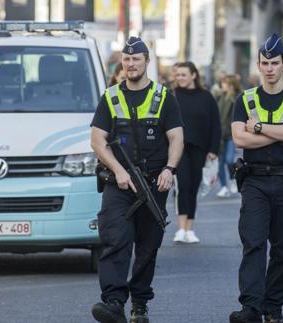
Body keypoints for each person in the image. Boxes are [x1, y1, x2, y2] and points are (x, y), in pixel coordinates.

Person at [90, 36, 184, 323]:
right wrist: (118, 170)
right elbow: (97, 141)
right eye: (127, 59)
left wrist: (170, 169)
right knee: (115, 240)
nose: (131, 64)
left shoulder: (164, 96)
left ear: (146, 62)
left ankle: (139, 304)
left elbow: (176, 137)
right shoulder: (111, 97)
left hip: (154, 183)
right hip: (118, 183)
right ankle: (114, 302)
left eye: (136, 59)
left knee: (147, 246)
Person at [229, 33, 283, 323]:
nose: (269, 68)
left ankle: (273, 309)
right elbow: (240, 139)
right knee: (253, 243)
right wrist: (280, 133)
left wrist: (260, 128)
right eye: (264, 63)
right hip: (254, 182)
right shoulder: (245, 98)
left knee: (281, 248)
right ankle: (250, 308)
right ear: (258, 65)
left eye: (275, 63)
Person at [172, 61, 221, 244]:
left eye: (184, 74)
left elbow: (216, 125)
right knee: (182, 185)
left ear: (193, 75)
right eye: (177, 75)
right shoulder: (172, 96)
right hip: (178, 149)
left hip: (200, 148)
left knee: (193, 187)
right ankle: (180, 228)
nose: (180, 78)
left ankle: (190, 229)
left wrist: (213, 150)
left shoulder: (206, 97)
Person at [217, 74, 241, 198]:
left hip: (231, 134)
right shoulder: (221, 97)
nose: (222, 85)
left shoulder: (236, 98)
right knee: (220, 163)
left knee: (229, 160)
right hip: (220, 135)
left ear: (230, 85)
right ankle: (224, 187)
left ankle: (233, 179)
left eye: (225, 83)